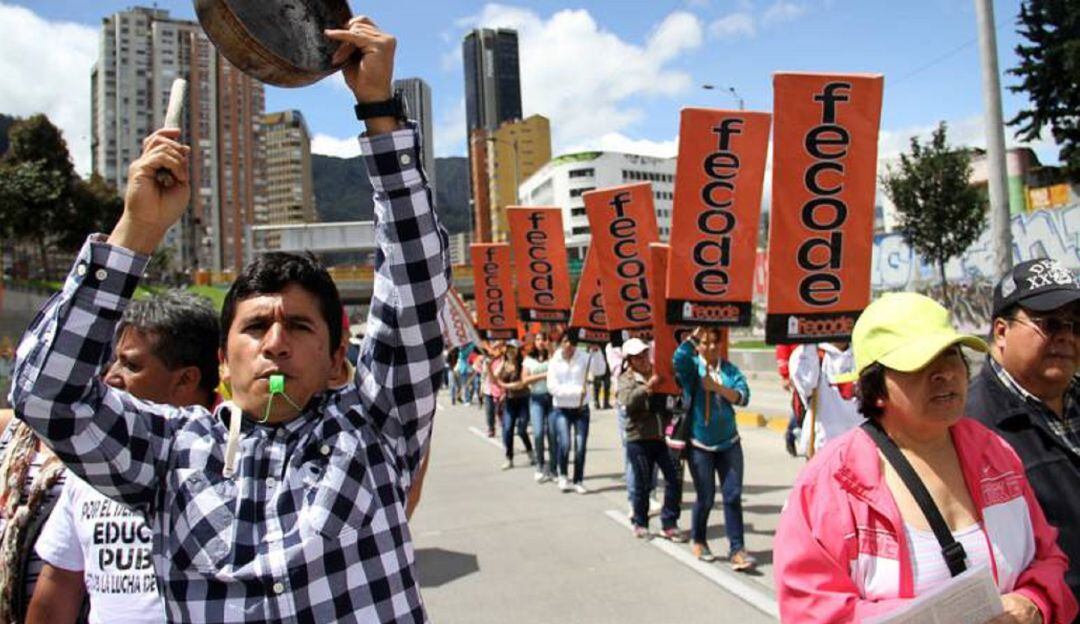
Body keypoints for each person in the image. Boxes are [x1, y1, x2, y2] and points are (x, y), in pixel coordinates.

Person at [11, 17, 448, 623]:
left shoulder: (375, 428)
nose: (275, 344)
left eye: (299, 327)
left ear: (336, 359)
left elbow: (415, 281)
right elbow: (46, 397)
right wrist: (137, 230)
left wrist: (377, 108)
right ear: (221, 361)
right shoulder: (168, 454)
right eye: (253, 328)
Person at [774, 292, 1077, 624]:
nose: (944, 372)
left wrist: (1032, 602)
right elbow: (811, 611)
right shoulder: (828, 485)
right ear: (876, 388)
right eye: (919, 362)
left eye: (950, 353)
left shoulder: (996, 453)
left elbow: (1048, 557)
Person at [27, 291, 220, 624]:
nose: (110, 377)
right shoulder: (91, 460)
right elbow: (59, 583)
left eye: (131, 365)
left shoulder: (239, 460)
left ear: (187, 379)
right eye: (113, 361)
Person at [968, 258, 1080, 607]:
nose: (1066, 336)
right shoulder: (969, 424)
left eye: (1076, 326)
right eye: (1050, 324)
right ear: (1001, 332)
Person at [673, 327, 754, 570]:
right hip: (700, 445)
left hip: (729, 442)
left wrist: (717, 388)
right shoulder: (692, 369)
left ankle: (737, 549)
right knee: (706, 497)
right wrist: (695, 336)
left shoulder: (729, 370)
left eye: (713, 343)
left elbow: (743, 396)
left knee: (732, 495)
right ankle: (699, 539)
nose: (709, 348)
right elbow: (678, 358)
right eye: (705, 343)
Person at [617, 338, 685, 541]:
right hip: (638, 439)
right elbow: (627, 400)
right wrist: (648, 387)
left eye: (644, 355)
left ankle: (670, 522)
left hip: (662, 438)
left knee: (674, 478)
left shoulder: (659, 372)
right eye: (637, 357)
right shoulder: (626, 379)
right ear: (629, 360)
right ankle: (640, 522)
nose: (643, 360)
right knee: (643, 483)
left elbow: (675, 393)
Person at [547, 334, 606, 493]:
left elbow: (600, 370)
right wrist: (576, 391)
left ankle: (578, 479)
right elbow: (553, 388)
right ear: (560, 344)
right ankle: (563, 475)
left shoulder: (584, 357)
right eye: (565, 341)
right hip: (561, 409)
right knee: (565, 443)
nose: (569, 345)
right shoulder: (554, 361)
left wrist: (597, 352)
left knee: (580, 446)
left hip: (581, 409)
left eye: (572, 342)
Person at [789, 341, 861, 457]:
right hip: (824, 450)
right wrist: (810, 343)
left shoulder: (864, 350)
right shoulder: (808, 353)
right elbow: (807, 385)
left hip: (862, 448)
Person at [493, 340, 533, 470]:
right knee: (508, 429)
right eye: (508, 348)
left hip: (523, 399)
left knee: (521, 429)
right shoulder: (504, 364)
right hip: (510, 401)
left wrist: (504, 386)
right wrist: (494, 365)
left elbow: (522, 383)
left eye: (513, 349)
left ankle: (530, 452)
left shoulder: (523, 364)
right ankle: (509, 458)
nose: (510, 351)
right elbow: (494, 378)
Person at [523, 333, 556, 483]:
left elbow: (559, 370)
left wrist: (551, 351)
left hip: (552, 398)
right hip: (536, 398)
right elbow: (525, 379)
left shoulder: (554, 357)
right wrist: (544, 375)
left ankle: (554, 467)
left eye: (544, 339)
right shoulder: (529, 360)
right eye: (538, 339)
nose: (541, 342)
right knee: (538, 433)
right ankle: (540, 465)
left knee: (552, 434)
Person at [591, 345, 612, 410]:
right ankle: (596, 402)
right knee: (597, 385)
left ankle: (606, 403)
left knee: (607, 384)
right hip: (598, 363)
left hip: (606, 362)